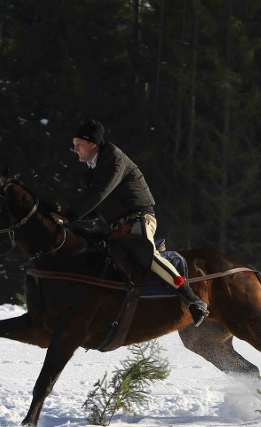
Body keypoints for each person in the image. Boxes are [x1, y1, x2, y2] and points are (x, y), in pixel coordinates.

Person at [53, 119, 209, 326]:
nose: (74, 149)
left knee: (144, 252)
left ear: (93, 144)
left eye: (78, 144)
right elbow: (96, 208)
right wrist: (65, 215)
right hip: (116, 225)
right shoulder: (90, 167)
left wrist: (70, 216)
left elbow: (98, 194)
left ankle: (193, 300)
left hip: (140, 217)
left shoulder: (114, 159)